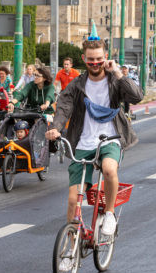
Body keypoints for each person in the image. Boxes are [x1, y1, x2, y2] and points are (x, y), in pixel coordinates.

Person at [45, 34, 143, 258]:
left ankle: (109, 214)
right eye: (90, 60)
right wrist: (56, 128)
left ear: (105, 57)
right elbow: (63, 107)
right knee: (72, 200)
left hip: (110, 139)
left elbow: (137, 97)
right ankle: (71, 245)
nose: (95, 63)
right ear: (84, 59)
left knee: (109, 169)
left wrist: (117, 72)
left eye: (99, 59)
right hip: (83, 141)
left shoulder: (114, 81)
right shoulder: (76, 85)